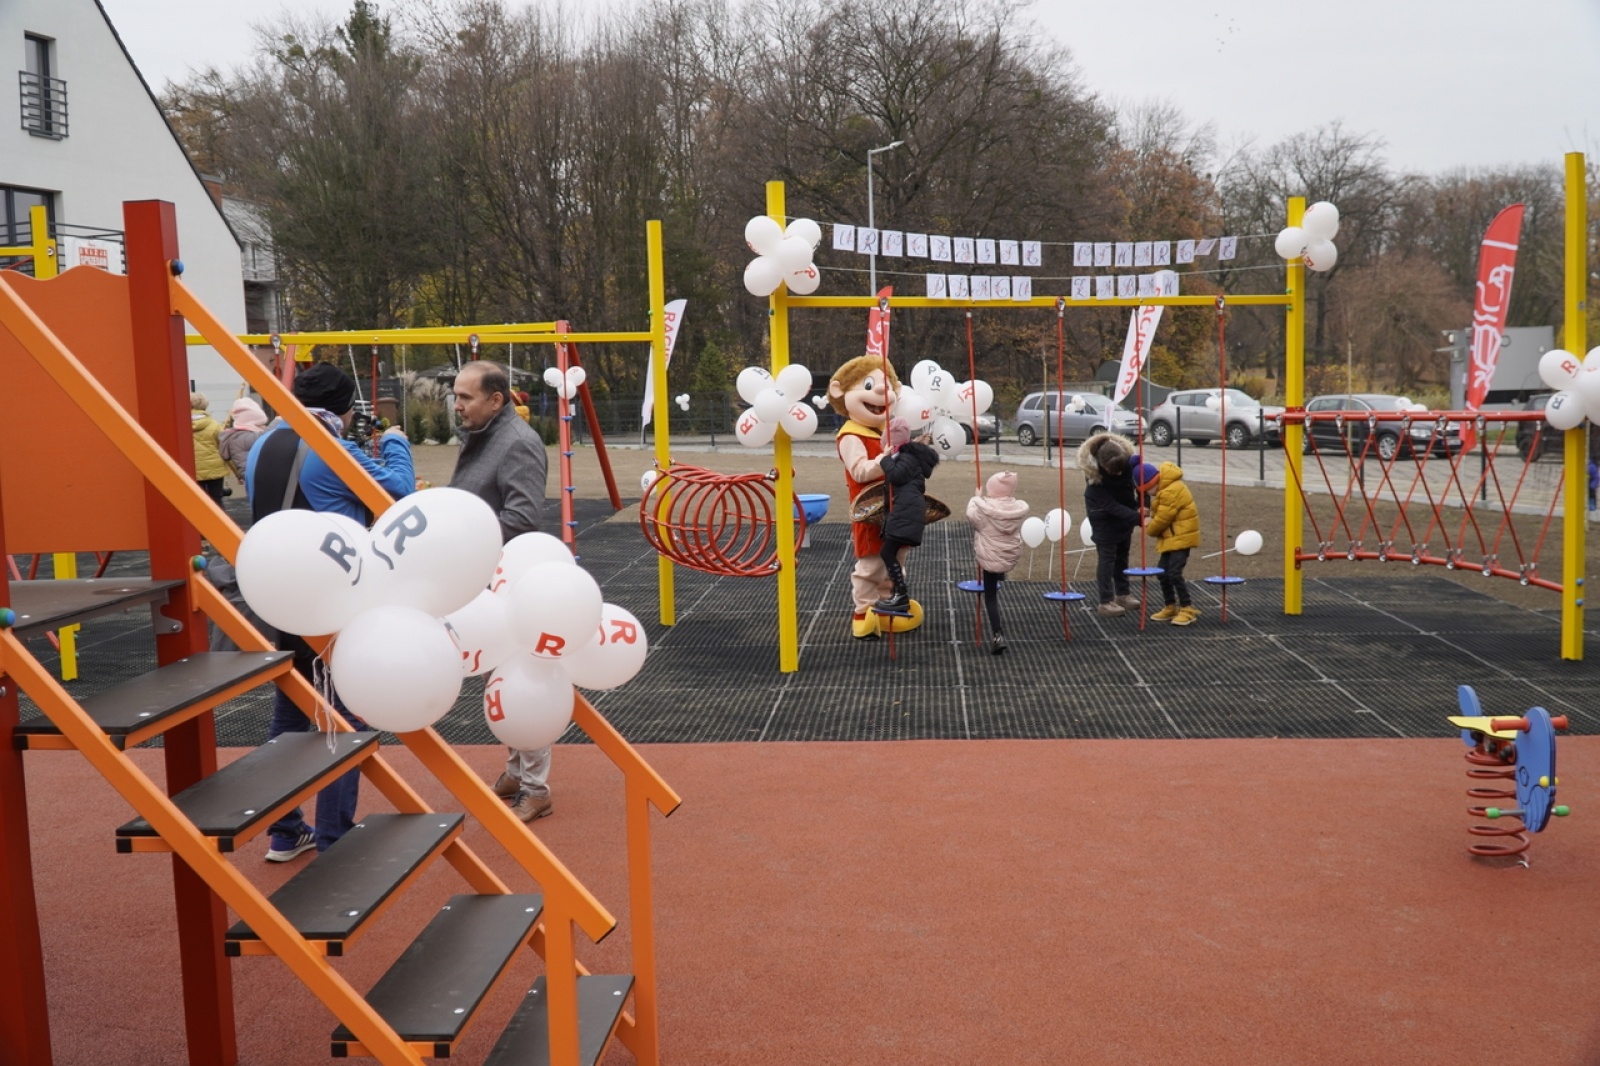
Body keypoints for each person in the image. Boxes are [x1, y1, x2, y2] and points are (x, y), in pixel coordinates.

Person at [245, 361, 417, 861]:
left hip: (280, 593)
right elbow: (398, 495)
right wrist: (395, 443)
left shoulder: (262, 444)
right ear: (341, 410)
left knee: (290, 714)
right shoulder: (327, 446)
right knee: (345, 717)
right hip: (334, 597)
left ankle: (284, 831)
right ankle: (335, 838)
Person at [449, 360, 553, 822]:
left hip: (513, 581)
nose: (457, 406)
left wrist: (465, 533)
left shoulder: (516, 443)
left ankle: (536, 786)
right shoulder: (489, 436)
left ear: (496, 400)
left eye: (465, 398)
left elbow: (522, 517)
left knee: (524, 680)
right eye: (456, 396)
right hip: (490, 578)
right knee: (502, 677)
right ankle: (516, 769)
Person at [873, 417, 940, 614]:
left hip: (906, 511)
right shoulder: (910, 456)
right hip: (906, 511)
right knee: (888, 552)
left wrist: (884, 458)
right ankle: (898, 594)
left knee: (887, 552)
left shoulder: (906, 458)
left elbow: (896, 475)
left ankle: (900, 594)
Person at [1079, 432, 1143, 618]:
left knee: (1123, 554)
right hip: (1103, 518)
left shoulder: (1129, 464)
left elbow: (1141, 485)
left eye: (1121, 469)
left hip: (1126, 514)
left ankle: (1123, 594)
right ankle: (1105, 601)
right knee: (1107, 558)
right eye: (1113, 471)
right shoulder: (1094, 482)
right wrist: (1138, 519)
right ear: (1102, 465)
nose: (1119, 473)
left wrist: (1143, 505)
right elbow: (1110, 506)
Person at [1132, 458, 1201, 626]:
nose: (1149, 494)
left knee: (1174, 573)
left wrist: (1148, 525)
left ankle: (1187, 608)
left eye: (1148, 490)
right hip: (1172, 538)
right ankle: (1170, 606)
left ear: (1153, 483)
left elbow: (1162, 519)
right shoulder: (1166, 488)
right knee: (1163, 573)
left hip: (1181, 538)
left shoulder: (1170, 491)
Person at [966, 470, 1029, 654]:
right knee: (998, 561)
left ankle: (997, 634)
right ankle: (1001, 572)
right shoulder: (1016, 509)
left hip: (990, 557)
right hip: (1009, 554)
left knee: (990, 595)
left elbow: (971, 515)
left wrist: (975, 498)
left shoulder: (983, 510)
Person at [218, 396, 268, 496]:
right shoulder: (240, 437)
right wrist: (277, 422)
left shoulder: (239, 435)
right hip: (254, 478)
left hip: (254, 477)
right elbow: (265, 437)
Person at [190, 393, 227, 504]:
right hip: (215, 469)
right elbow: (224, 449)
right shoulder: (215, 425)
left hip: (193, 469)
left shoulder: (182, 425)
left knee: (198, 502)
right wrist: (238, 473)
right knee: (217, 500)